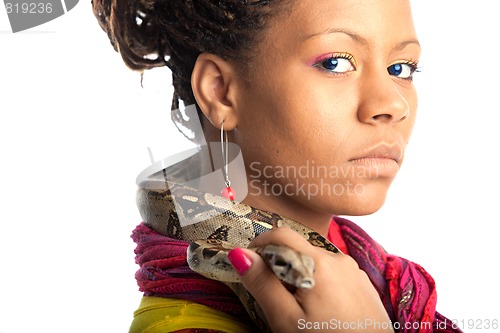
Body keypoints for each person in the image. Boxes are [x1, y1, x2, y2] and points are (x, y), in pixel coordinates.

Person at [92, 0, 462, 332]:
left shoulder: (381, 279)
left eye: (401, 68)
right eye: (335, 63)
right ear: (220, 90)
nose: (394, 105)